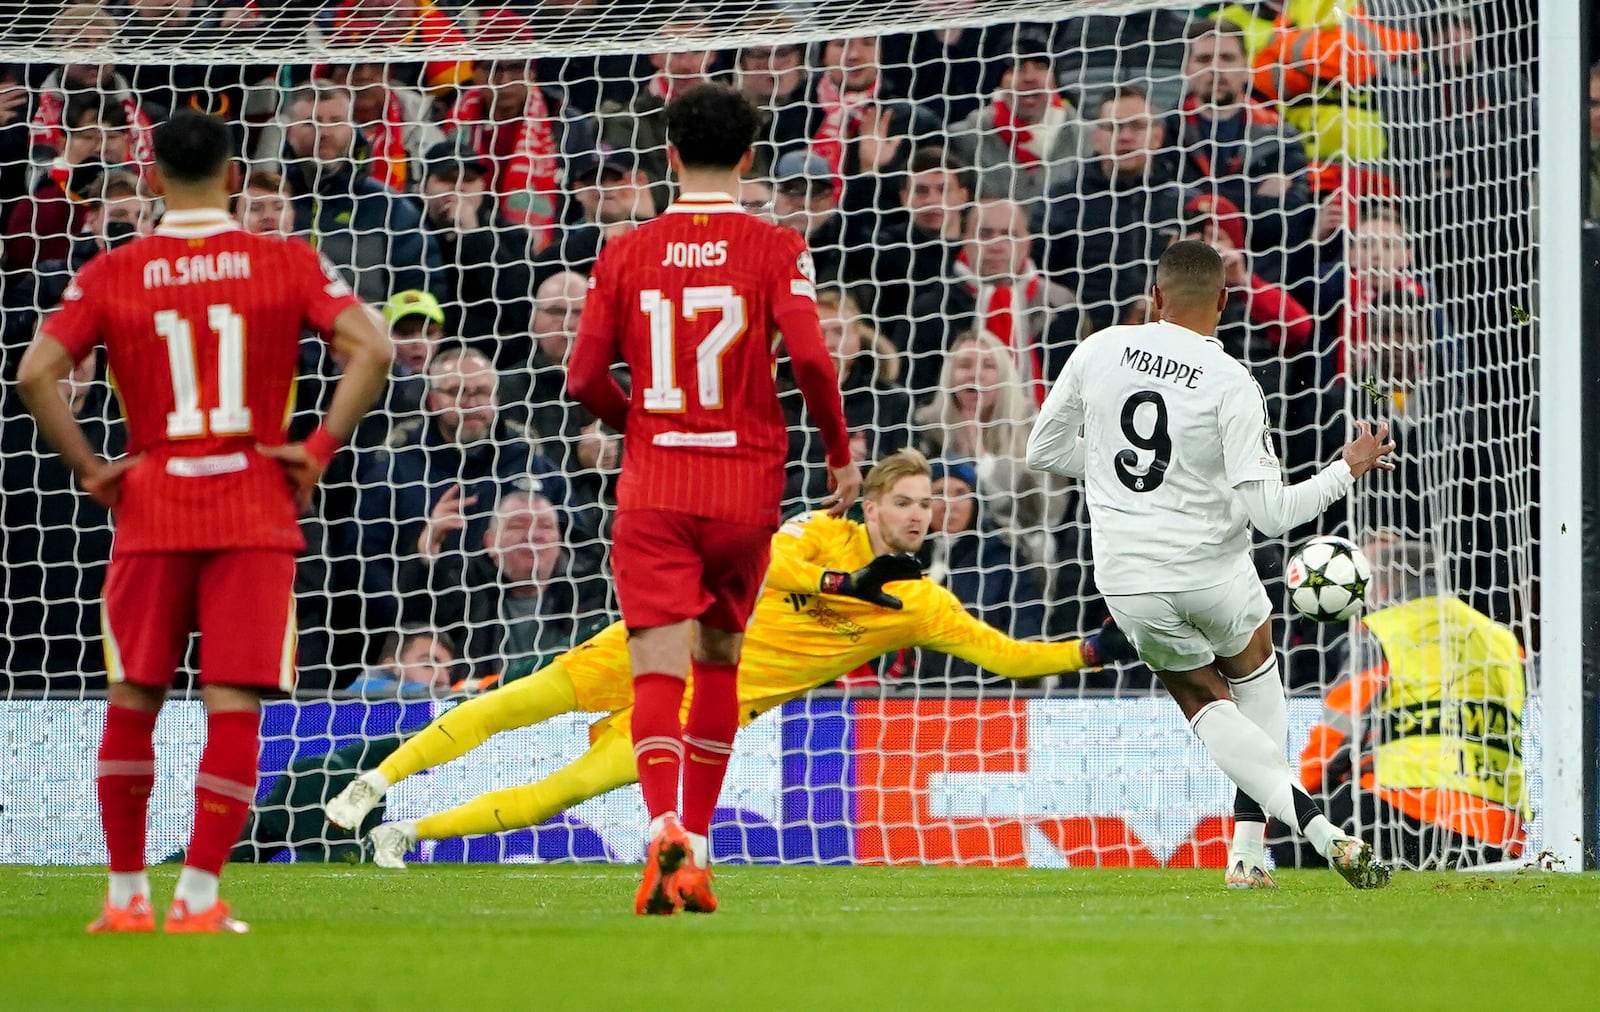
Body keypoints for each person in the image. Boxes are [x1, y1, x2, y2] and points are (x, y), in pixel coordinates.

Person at [324, 450, 1135, 865]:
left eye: (930, 505)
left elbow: (1007, 658)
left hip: (701, 711)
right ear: (874, 502)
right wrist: (847, 579)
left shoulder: (921, 605)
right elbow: (773, 561)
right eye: (906, 501)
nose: (920, 515)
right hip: (660, 645)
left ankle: (405, 835)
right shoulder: (822, 532)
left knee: (558, 793)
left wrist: (1093, 648)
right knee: (519, 702)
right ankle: (376, 782)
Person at [15, 109, 391, 932]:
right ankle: (197, 896)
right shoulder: (285, 261)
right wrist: (319, 447)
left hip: (151, 500)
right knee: (231, 704)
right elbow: (375, 348)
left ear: (151, 181)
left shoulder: (113, 271)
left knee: (133, 697)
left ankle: (123, 900)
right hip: (253, 501)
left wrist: (89, 468)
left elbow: (36, 372)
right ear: (232, 180)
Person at [565, 83, 859, 915]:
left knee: (653, 667)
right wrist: (838, 454)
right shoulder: (777, 246)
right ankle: (696, 842)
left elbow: (582, 377)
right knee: (720, 660)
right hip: (744, 487)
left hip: (657, 487)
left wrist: (643, 429)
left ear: (666, 155)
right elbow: (808, 360)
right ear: (750, 159)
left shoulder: (624, 251)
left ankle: (661, 826)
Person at [1025, 239, 1396, 891]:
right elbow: (1274, 515)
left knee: (1202, 698)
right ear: (1224, 302)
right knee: (1256, 675)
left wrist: (1123, 468)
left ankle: (1300, 840)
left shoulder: (1098, 348)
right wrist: (1346, 468)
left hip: (1129, 579)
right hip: (1212, 571)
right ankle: (1254, 850)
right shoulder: (1231, 382)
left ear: (1155, 295)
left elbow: (1043, 449)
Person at [1276, 536, 1528, 871]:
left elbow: (1338, 733)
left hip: (1410, 815)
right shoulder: (1502, 639)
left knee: (1291, 824)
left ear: (1387, 583)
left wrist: (1296, 793)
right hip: (1498, 831)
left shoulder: (1383, 630)